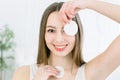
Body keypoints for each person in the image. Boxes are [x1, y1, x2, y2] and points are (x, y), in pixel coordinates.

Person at [13, 1, 120, 80]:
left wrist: (88, 3)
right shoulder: (24, 74)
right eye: (51, 30)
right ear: (43, 34)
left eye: (66, 30)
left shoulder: (90, 73)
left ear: (77, 33)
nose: (59, 39)